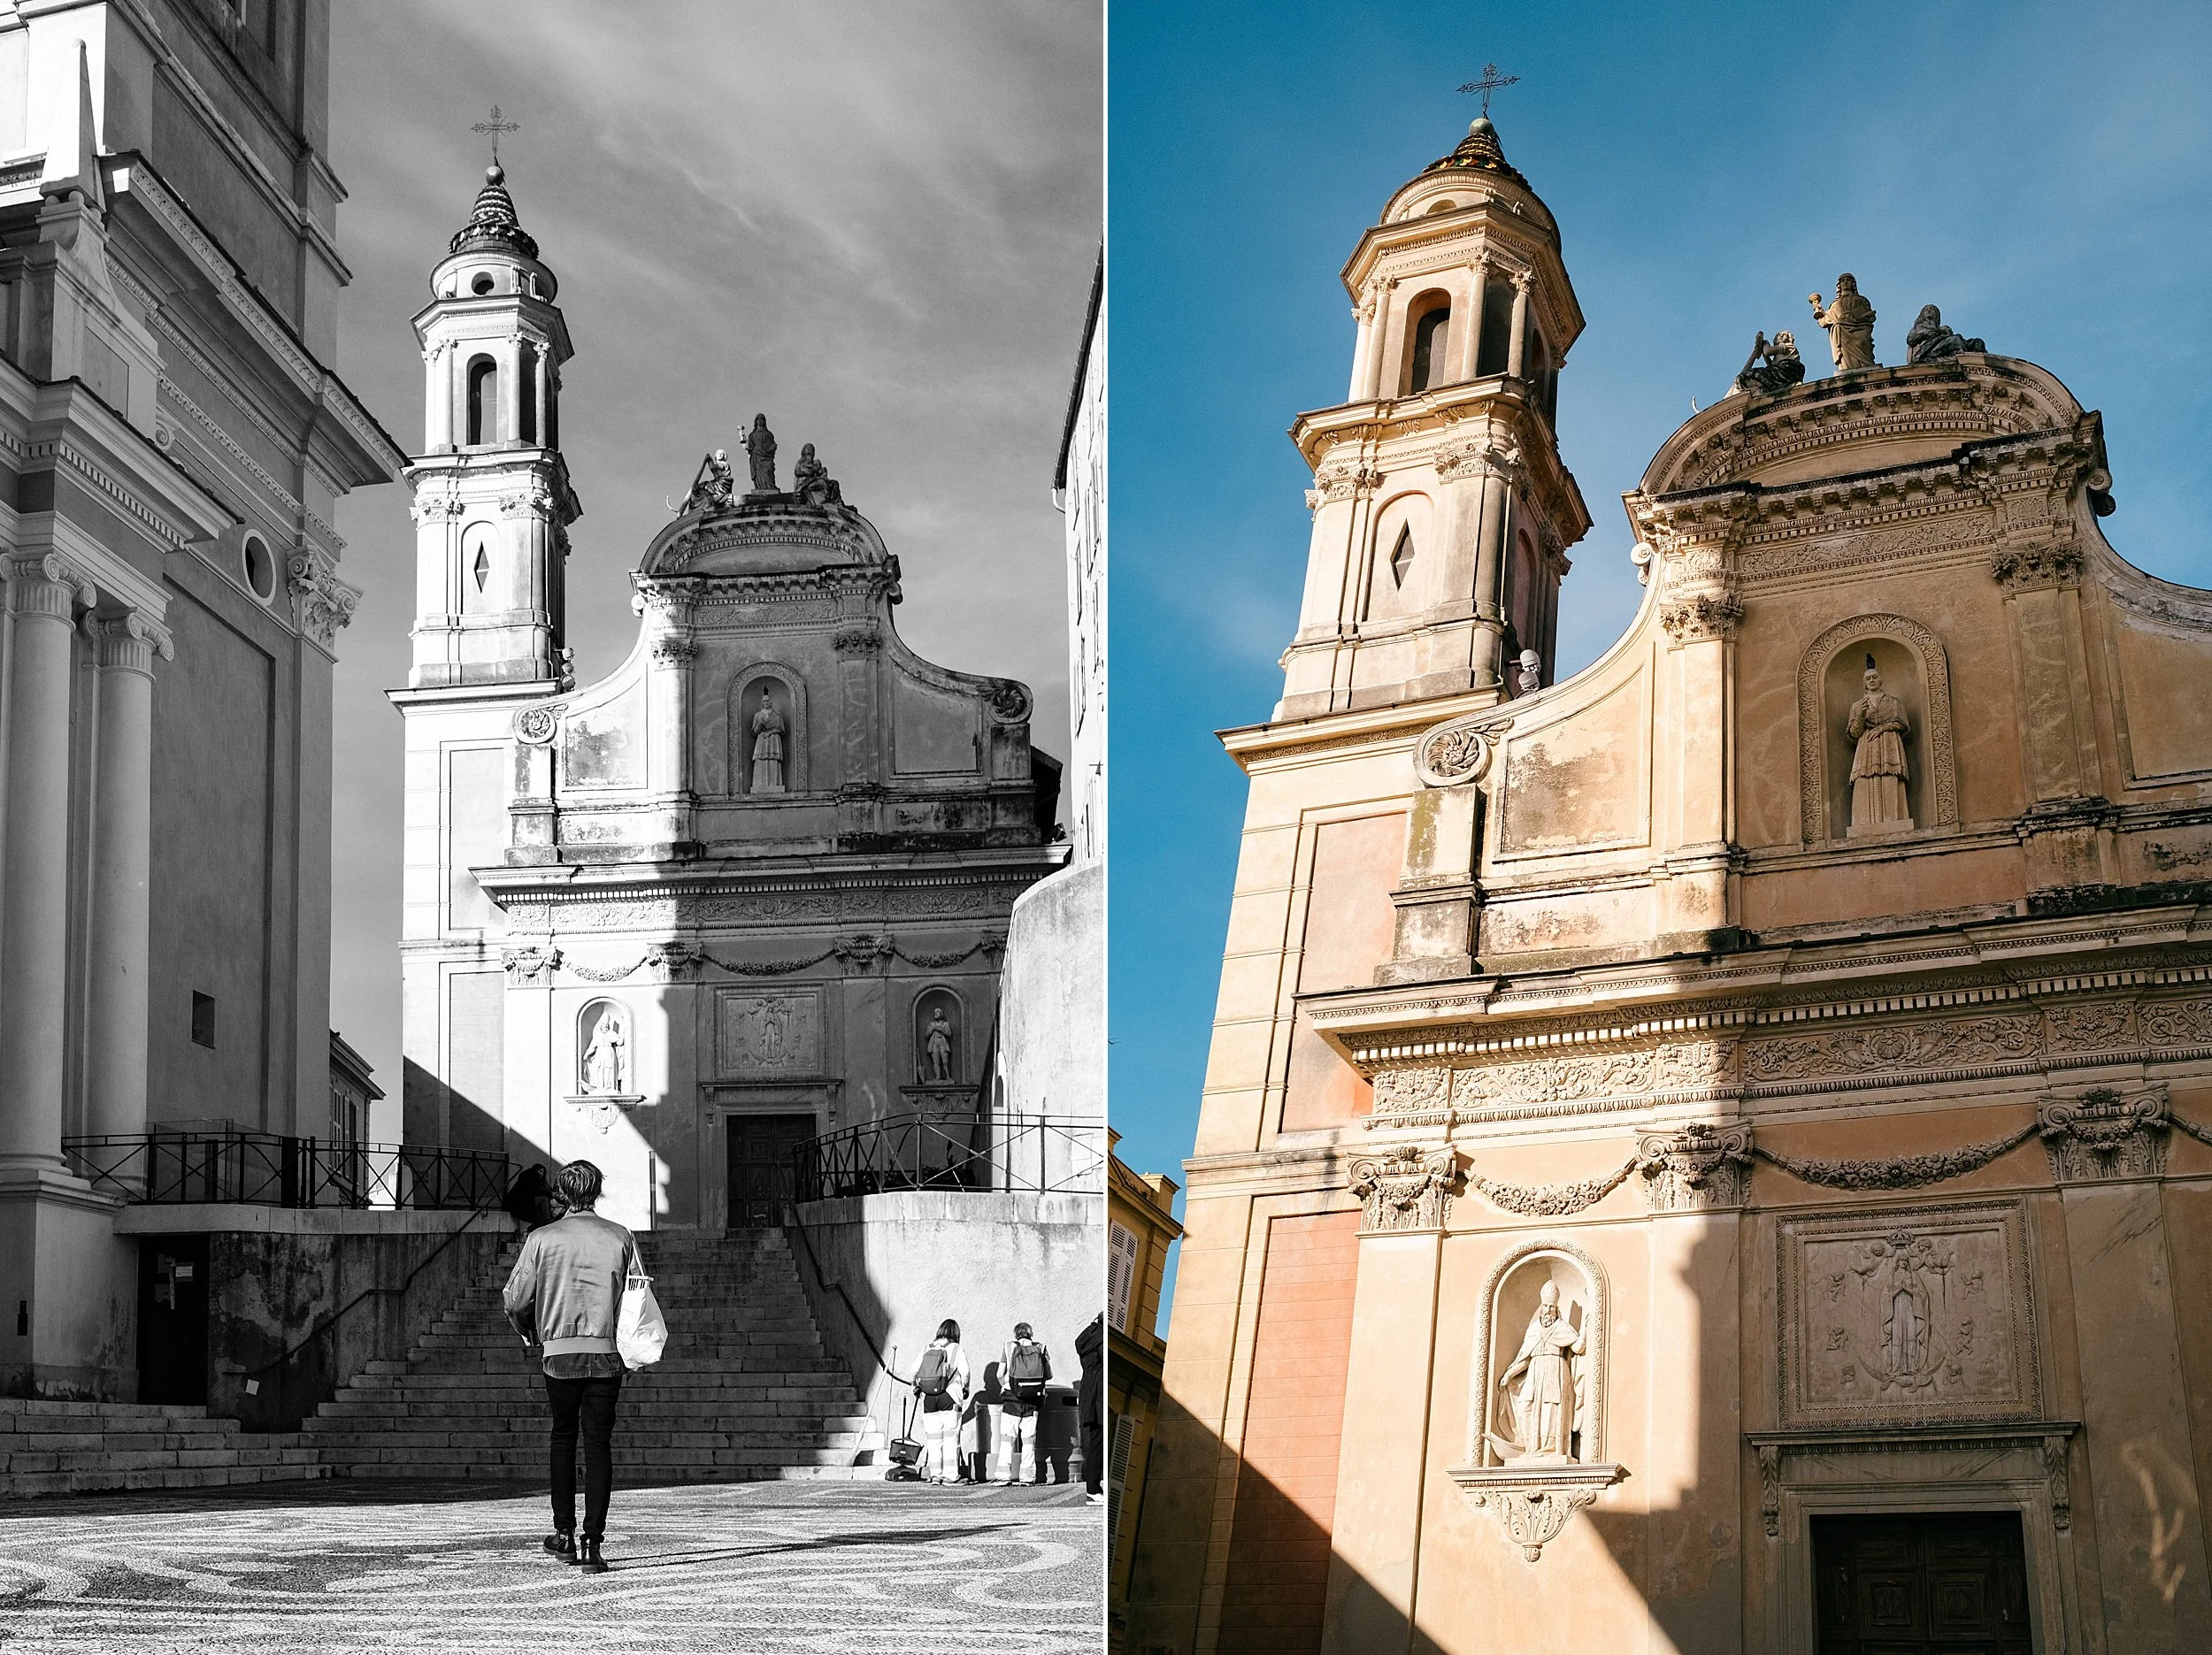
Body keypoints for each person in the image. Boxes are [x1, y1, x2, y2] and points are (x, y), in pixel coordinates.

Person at [503, 1160, 636, 1573]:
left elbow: (516, 1299)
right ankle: (593, 1543)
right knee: (598, 1445)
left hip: (559, 1350)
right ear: (596, 1191)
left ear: (562, 1192)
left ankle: (563, 1534)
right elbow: (635, 1296)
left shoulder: (542, 1238)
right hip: (606, 1350)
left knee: (563, 1438)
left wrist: (530, 1331)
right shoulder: (621, 1236)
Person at [910, 1318, 971, 1485]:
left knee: (934, 1439)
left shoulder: (927, 1348)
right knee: (951, 1437)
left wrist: (915, 1386)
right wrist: (966, 1387)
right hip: (950, 1397)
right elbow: (965, 1372)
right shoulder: (956, 1348)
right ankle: (951, 1476)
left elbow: (913, 1370)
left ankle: (935, 1475)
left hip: (929, 1398)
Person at [993, 1322, 1053, 1486]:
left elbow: (999, 1374)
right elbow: (1049, 1375)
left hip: (1011, 1398)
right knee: (1028, 1440)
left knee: (1007, 1439)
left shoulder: (1008, 1347)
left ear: (1015, 1335)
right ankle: (1027, 1477)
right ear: (1031, 1334)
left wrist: (1006, 1386)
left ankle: (1003, 1476)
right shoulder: (1041, 1347)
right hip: (1033, 1400)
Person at [1076, 1311, 1103, 1504]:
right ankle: (1093, 1489)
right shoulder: (1102, 1340)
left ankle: (1093, 1488)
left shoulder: (1088, 1339)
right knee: (1099, 1444)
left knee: (1096, 1443)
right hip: (1099, 1395)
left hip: (1089, 1395)